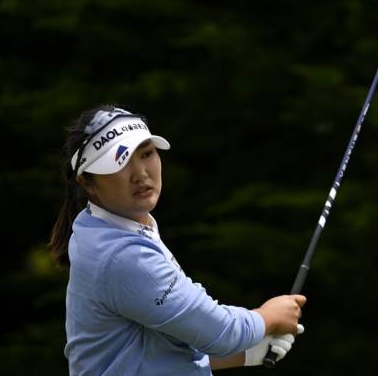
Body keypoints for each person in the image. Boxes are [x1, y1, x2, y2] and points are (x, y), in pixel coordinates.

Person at [49, 104, 306, 375]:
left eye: (146, 154)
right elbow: (221, 330)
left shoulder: (106, 226)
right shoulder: (122, 255)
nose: (141, 174)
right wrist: (268, 317)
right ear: (87, 183)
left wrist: (247, 353)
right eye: (121, 162)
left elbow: (154, 351)